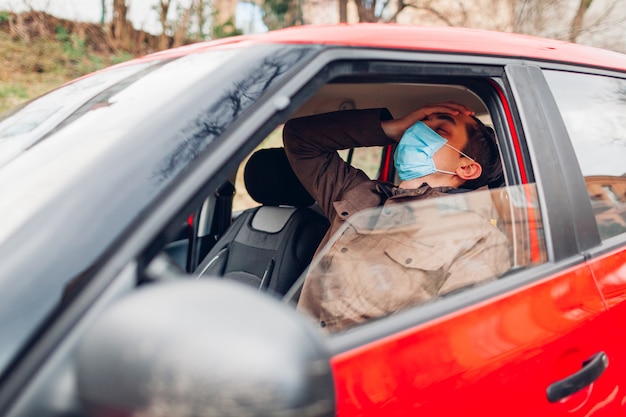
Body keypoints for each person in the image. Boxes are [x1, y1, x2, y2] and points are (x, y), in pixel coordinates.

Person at [283, 102, 511, 331]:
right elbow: (299, 138)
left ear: (467, 168)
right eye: (420, 124)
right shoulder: (358, 194)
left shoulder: (476, 237)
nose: (418, 130)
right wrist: (390, 128)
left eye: (439, 130)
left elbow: (455, 335)